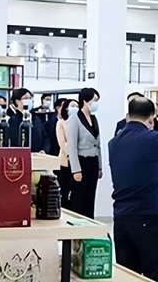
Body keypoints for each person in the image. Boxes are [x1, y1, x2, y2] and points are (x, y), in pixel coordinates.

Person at [110, 96, 158, 282]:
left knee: (128, 275)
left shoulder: (114, 142)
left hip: (121, 217)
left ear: (128, 116)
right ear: (151, 118)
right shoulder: (154, 139)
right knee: (156, 273)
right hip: (150, 215)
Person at [68, 87, 102, 219]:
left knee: (90, 197)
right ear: (85, 100)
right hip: (81, 162)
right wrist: (76, 170)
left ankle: (89, 224)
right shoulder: (74, 119)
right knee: (79, 198)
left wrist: (100, 166)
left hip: (93, 162)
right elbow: (72, 147)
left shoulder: (94, 118)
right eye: (94, 100)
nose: (96, 103)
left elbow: (98, 144)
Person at [6, 88, 47, 152]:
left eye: (30, 98)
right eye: (25, 98)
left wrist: (44, 149)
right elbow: (14, 140)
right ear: (17, 101)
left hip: (38, 154)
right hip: (21, 154)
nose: (29, 100)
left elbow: (45, 137)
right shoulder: (12, 120)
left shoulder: (37, 118)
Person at [57, 99, 78, 208]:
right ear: (66, 108)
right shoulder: (61, 122)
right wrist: (71, 155)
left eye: (77, 106)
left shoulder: (80, 122)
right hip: (66, 161)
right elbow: (62, 143)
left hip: (79, 161)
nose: (75, 108)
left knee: (76, 191)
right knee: (64, 190)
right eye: (72, 106)